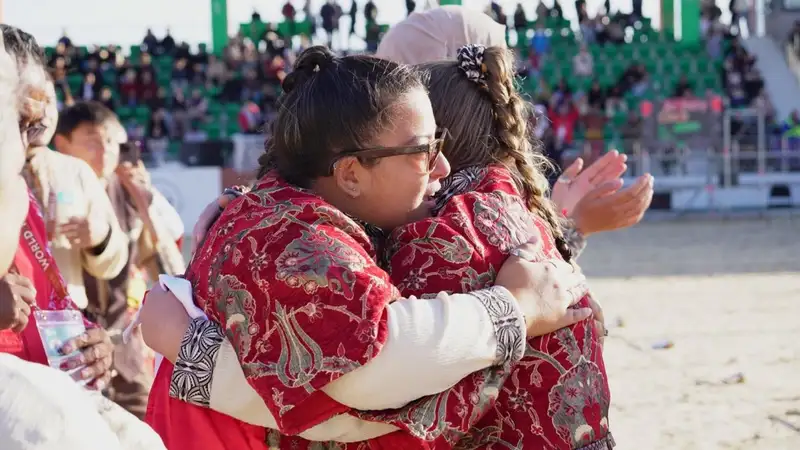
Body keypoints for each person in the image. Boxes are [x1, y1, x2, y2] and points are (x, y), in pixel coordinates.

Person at [140, 46, 592, 449]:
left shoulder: (275, 211)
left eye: (442, 144)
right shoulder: (298, 239)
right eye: (425, 150)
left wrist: (196, 354)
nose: (443, 166)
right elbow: (370, 369)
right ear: (350, 174)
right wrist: (515, 308)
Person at [374, 6, 653, 250]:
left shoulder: (375, 193)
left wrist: (563, 223)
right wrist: (572, 227)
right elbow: (542, 298)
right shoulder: (480, 203)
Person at [53, 100, 185, 419]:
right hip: (67, 342)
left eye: (112, 142)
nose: (106, 152)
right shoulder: (47, 186)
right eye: (93, 141)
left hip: (127, 347)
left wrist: (143, 201)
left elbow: (172, 271)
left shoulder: (129, 193)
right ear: (62, 144)